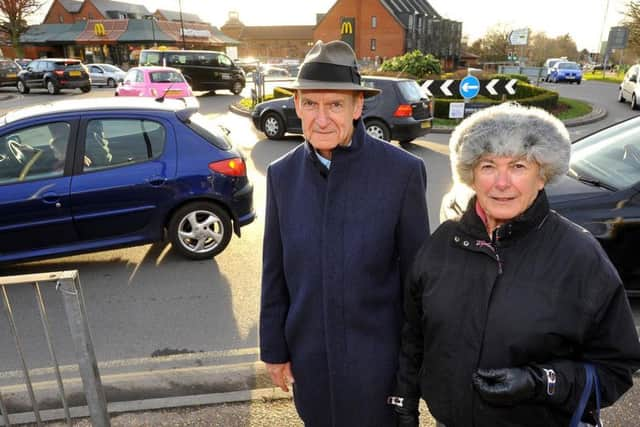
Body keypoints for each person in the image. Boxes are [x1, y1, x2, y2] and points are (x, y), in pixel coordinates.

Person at [391, 103, 640, 427]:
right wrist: (405, 405)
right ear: (470, 174)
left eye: (519, 166)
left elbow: (617, 367)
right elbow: (414, 338)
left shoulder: (580, 258)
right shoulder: (443, 244)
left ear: (542, 175)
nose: (502, 183)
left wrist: (542, 382)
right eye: (488, 166)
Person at [259, 40, 430, 427]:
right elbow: (275, 271)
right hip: (310, 367)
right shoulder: (281, 176)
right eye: (310, 104)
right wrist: (274, 349)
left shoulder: (402, 173)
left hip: (378, 370)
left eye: (335, 105)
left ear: (357, 107)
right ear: (297, 105)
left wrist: (410, 373)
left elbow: (417, 285)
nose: (321, 119)